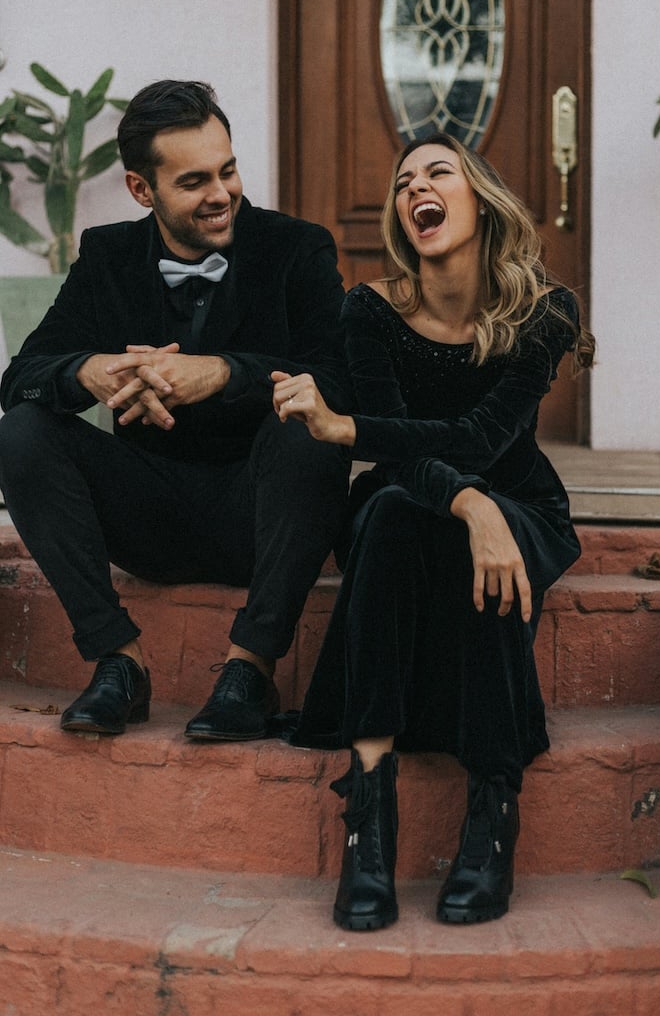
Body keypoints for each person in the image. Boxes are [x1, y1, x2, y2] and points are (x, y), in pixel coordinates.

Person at [270, 133, 595, 930]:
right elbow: (408, 456)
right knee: (387, 510)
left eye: (438, 172)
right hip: (414, 508)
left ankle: (492, 811)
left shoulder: (545, 311)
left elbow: (481, 440)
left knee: (471, 539)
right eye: (404, 180)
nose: (418, 185)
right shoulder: (370, 311)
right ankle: (369, 819)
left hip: (524, 503)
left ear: (478, 199)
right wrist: (469, 507)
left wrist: (356, 431)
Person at [0, 80, 351, 741]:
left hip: (263, 514)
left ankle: (250, 670)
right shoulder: (108, 256)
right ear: (142, 189)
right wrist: (90, 371)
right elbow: (20, 378)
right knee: (19, 432)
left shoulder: (296, 248)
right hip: (149, 516)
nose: (221, 193)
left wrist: (221, 373)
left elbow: (342, 379)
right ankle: (118, 663)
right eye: (194, 181)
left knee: (313, 422)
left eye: (228, 170)